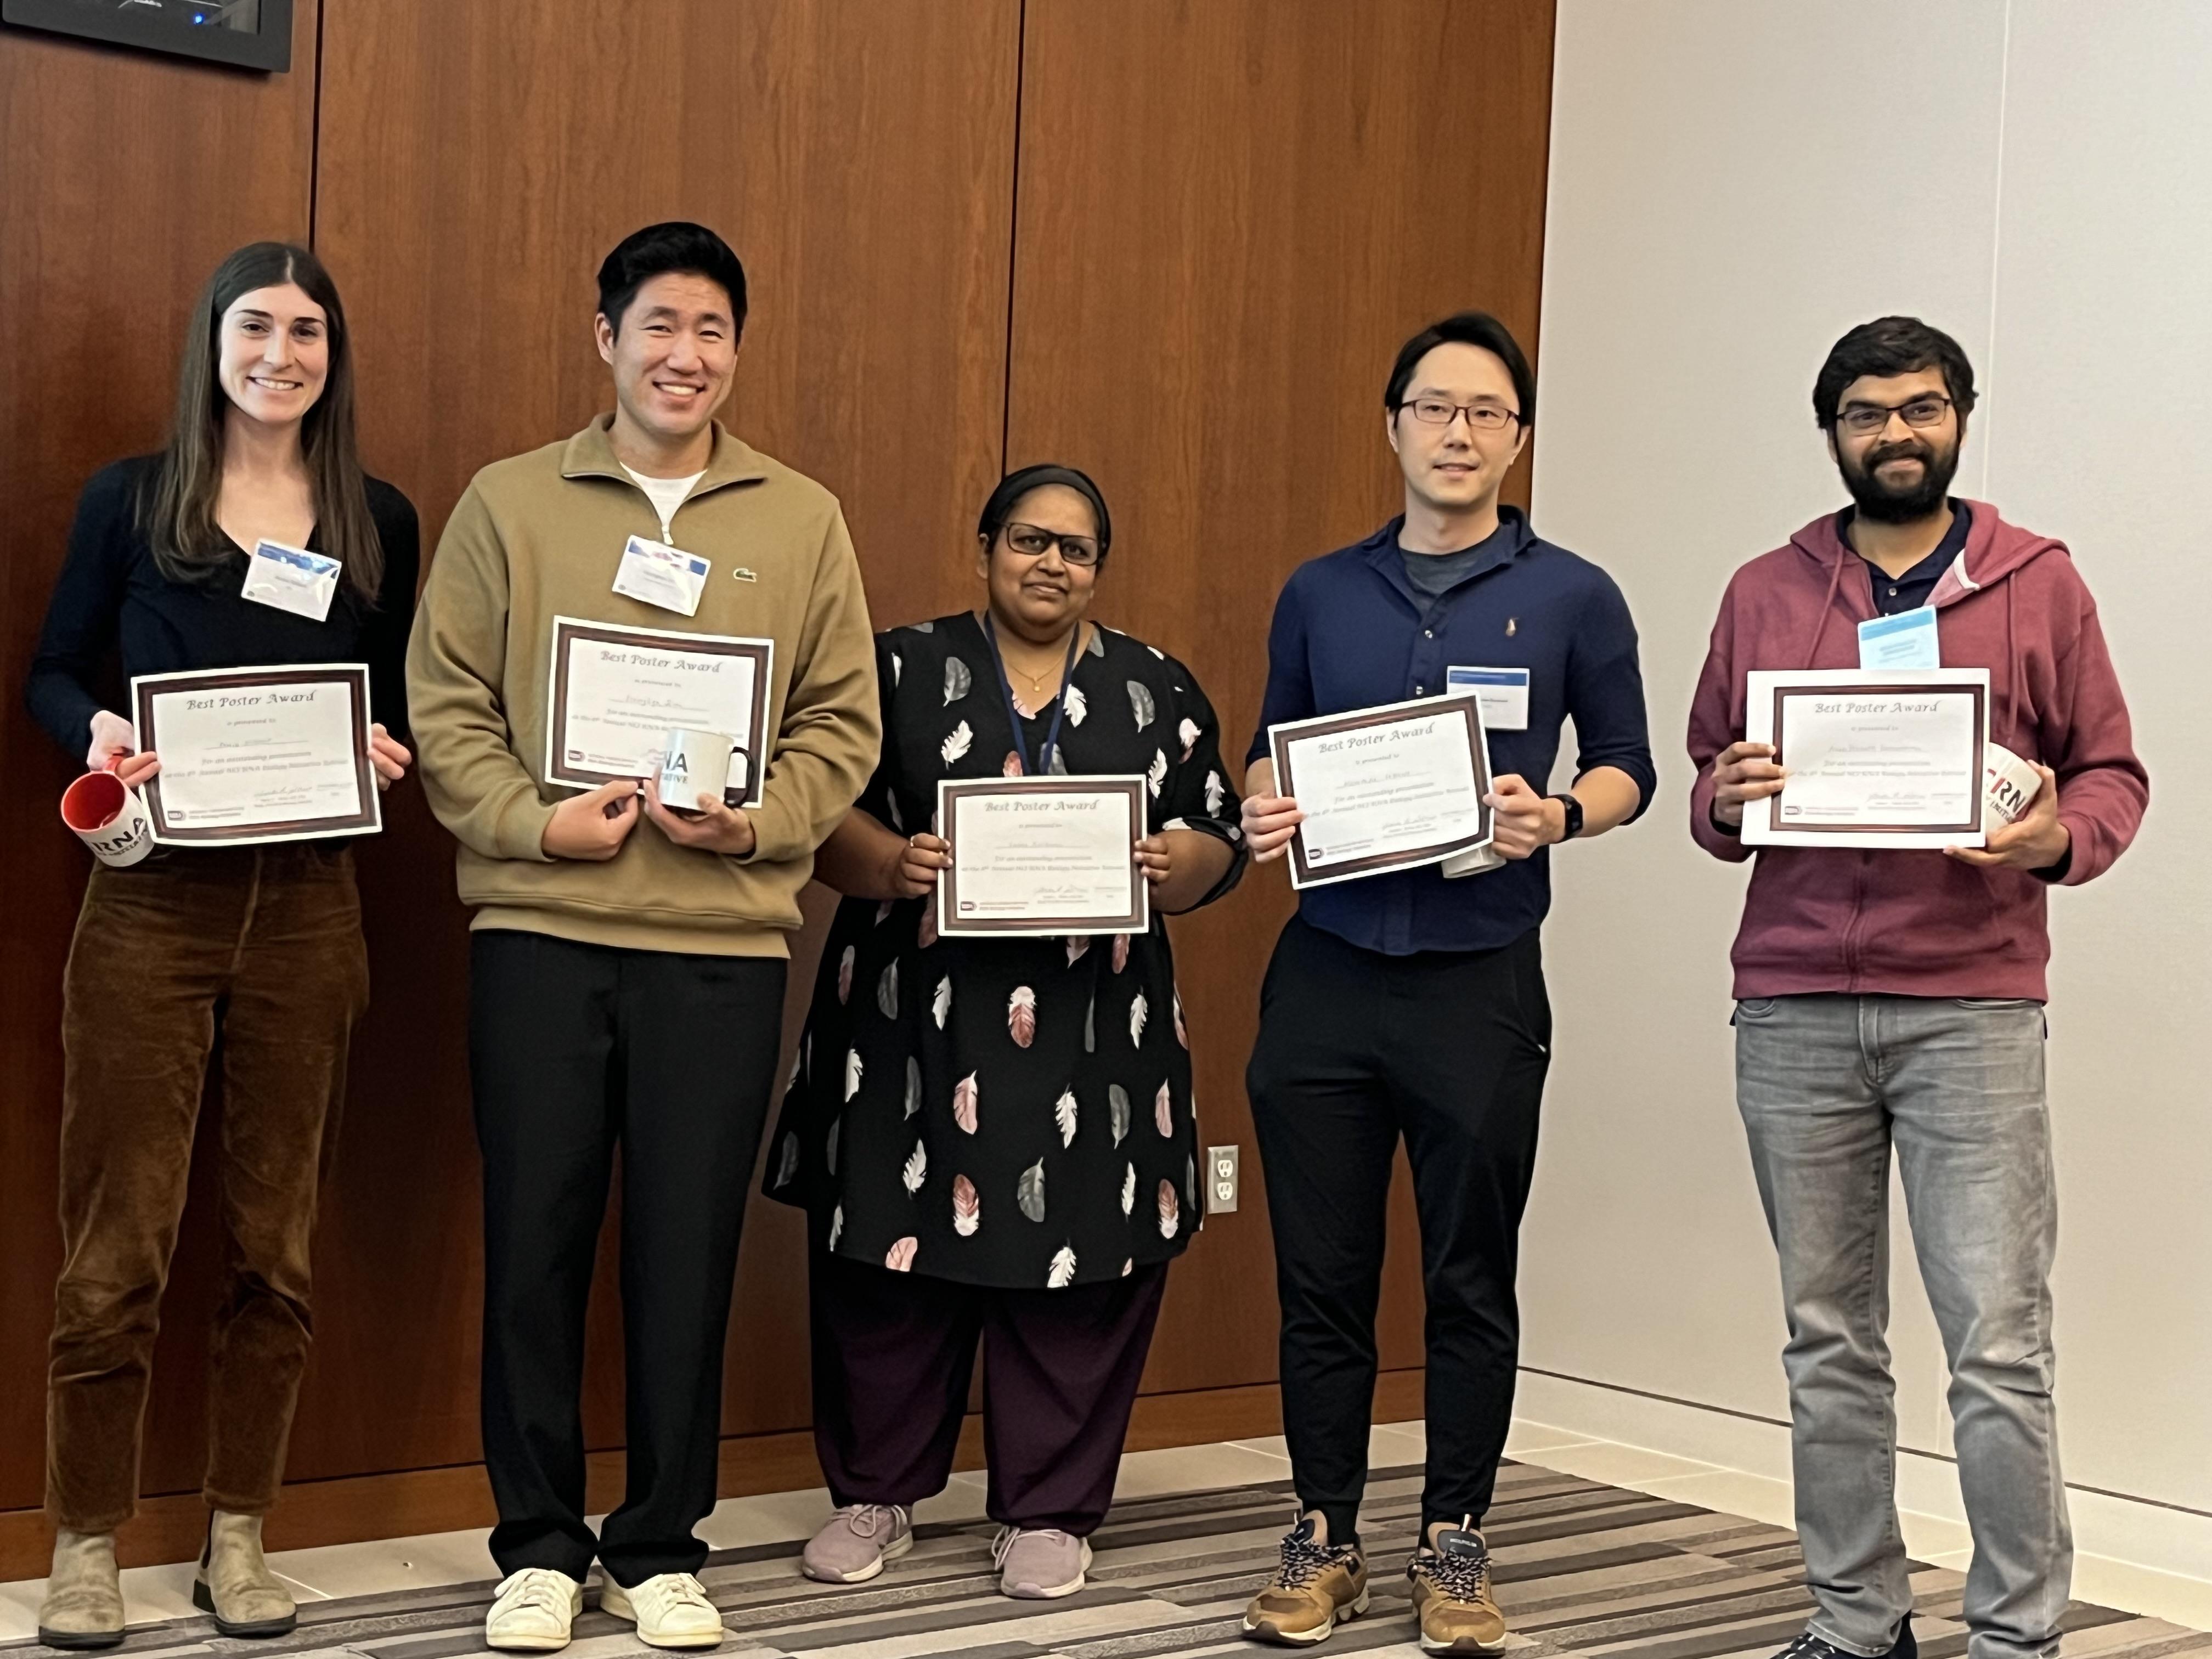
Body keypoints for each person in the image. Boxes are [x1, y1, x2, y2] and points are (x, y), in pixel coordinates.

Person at [407, 222, 878, 1653]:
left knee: (688, 1253)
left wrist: (763, 823)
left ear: (738, 350)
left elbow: (841, 722)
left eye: (714, 330)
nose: (686, 355)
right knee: (532, 1243)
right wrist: (535, 825)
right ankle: (539, 1544)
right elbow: (447, 704)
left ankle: (664, 1539)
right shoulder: (509, 503)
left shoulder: (801, 519)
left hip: (721, 953)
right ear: (604, 335)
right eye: (660, 324)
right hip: (544, 935)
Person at [1689, 317, 2147, 1659]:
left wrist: (2058, 836)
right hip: (1792, 1010)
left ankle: (2016, 1636)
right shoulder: (1763, 591)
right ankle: (1854, 1622)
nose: (1897, 432)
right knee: (1828, 1343)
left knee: (1999, 1348)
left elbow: (2111, 773)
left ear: (1961, 417)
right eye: (1868, 413)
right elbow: (1718, 788)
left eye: (1922, 408)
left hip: (1974, 1009)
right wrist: (1726, 797)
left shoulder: (2041, 583)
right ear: (1831, 431)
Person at [1237, 312, 1655, 1654]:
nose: (1458, 433)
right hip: (1326, 974)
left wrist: (1566, 816)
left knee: (1471, 1273)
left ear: (1517, 438)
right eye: (1434, 408)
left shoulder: (1578, 594)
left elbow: (1632, 763)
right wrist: (1261, 809)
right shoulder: (1320, 591)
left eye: (1486, 413)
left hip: (1478, 980)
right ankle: (1324, 1531)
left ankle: (1455, 1540)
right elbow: (1267, 752)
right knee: (1324, 1273)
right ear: (1394, 426)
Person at [24, 242, 418, 1648]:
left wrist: (382, 752)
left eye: (310, 330)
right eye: (257, 325)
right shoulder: (132, 500)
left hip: (309, 908)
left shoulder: (375, 517)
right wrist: (101, 733)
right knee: (114, 1247)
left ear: (334, 355)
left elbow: (395, 701)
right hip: (149, 907)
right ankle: (85, 1543)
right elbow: (52, 670)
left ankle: (237, 1537)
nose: (281, 353)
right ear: (213, 340)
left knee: (278, 1248)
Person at [763, 464, 1245, 1600]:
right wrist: (891, 863)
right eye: (1031, 540)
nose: (1053, 565)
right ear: (985, 547)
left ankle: (1048, 1507)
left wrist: (1181, 867)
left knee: (1082, 1266)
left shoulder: (1155, 687)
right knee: (890, 1254)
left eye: (1078, 549)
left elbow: (1213, 830)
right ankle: (877, 1492)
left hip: (1100, 1037)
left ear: (1099, 571)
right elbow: (815, 813)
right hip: (908, 1021)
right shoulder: (893, 668)